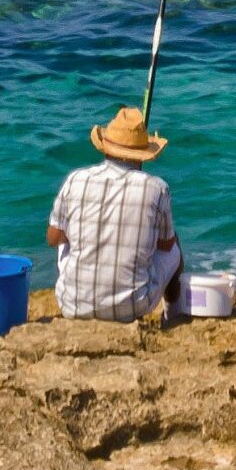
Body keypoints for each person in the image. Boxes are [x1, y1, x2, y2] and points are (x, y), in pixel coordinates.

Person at [46, 106, 183, 321]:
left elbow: (53, 239)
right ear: (143, 155)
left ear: (106, 148)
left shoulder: (75, 179)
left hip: (72, 306)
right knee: (175, 244)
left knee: (65, 238)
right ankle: (172, 315)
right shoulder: (157, 188)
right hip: (134, 306)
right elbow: (166, 246)